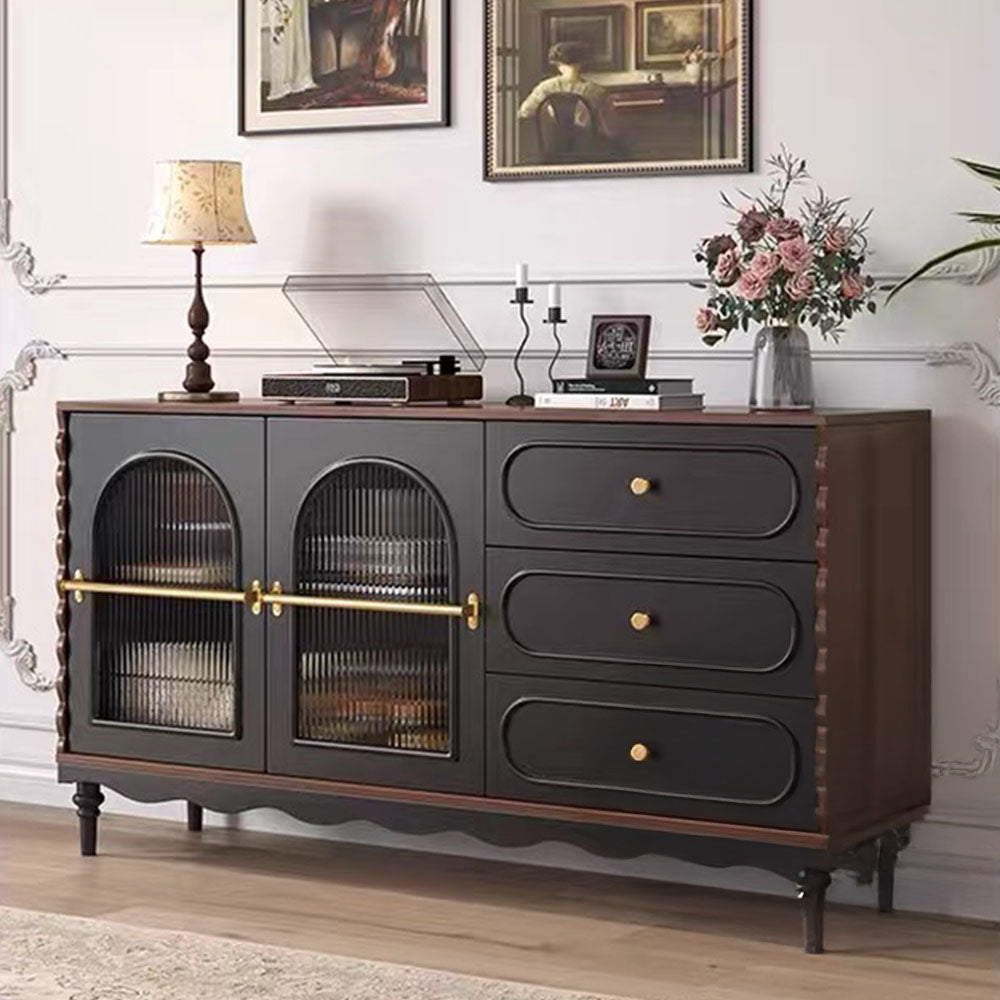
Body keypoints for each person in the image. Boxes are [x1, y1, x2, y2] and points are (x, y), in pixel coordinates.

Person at [517, 41, 619, 141]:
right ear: (582, 64)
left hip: (553, 145)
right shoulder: (597, 92)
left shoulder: (545, 88)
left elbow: (525, 112)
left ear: (558, 65)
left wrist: (548, 118)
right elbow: (610, 130)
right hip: (586, 146)